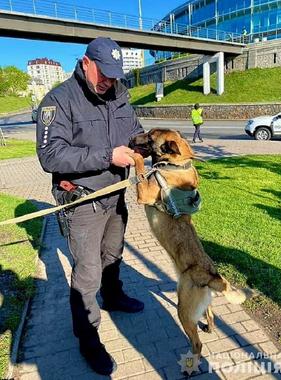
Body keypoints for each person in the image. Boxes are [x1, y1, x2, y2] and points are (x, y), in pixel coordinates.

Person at [36, 37, 144, 376]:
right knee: (87, 273)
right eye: (104, 74)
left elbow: (136, 134)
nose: (109, 82)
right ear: (85, 63)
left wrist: (159, 145)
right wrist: (106, 156)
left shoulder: (119, 94)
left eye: (115, 75)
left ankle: (114, 297)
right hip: (82, 200)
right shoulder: (59, 100)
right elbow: (50, 155)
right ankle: (87, 337)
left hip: (116, 194)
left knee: (112, 254)